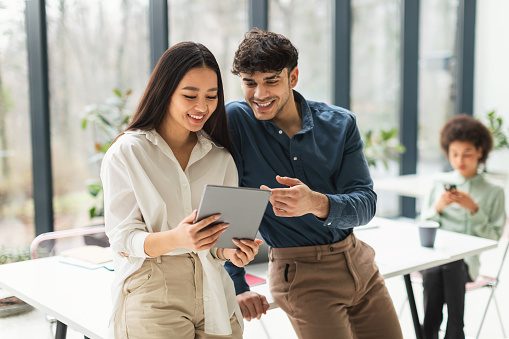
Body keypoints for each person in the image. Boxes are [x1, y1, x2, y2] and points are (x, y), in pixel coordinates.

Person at [224, 28, 403, 339]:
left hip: (360, 262)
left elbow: (366, 203)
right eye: (249, 83)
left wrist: (316, 203)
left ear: (293, 77)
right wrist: (236, 285)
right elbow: (228, 200)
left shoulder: (340, 123)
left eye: (271, 81)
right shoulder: (238, 121)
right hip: (301, 275)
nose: (259, 95)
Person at [100, 42, 264, 339]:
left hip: (215, 290)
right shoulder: (128, 152)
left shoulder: (220, 158)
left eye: (211, 96)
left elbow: (218, 244)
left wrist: (233, 250)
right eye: (190, 96)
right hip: (153, 289)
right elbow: (122, 238)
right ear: (165, 92)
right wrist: (176, 238)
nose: (202, 107)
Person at [420, 114, 506, 339]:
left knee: (450, 264)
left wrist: (474, 210)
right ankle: (455, 332)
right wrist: (438, 207)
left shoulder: (494, 191)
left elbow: (494, 238)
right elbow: (423, 225)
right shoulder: (439, 183)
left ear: (480, 152)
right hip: (434, 261)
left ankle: (429, 332)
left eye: (467, 153)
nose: (460, 160)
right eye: (454, 154)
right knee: (438, 266)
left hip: (465, 265)